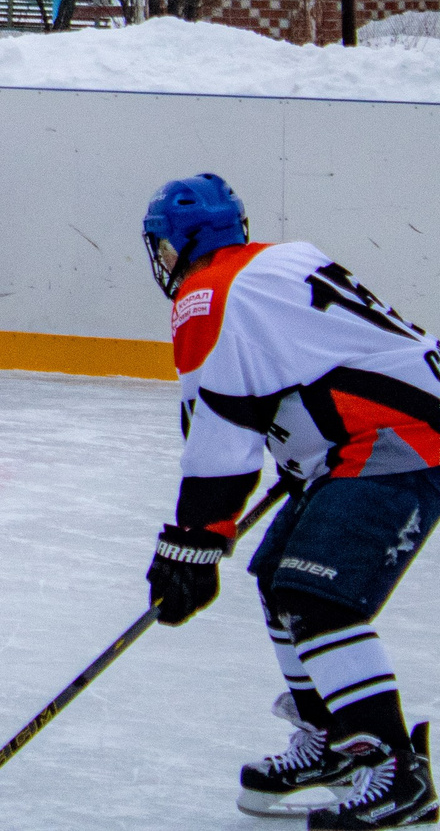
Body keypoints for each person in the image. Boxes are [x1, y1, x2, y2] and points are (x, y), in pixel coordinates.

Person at [142, 173, 440, 828]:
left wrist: (193, 540)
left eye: (162, 245)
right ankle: (331, 737)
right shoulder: (279, 259)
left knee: (315, 593)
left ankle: (396, 770)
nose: (160, 259)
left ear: (186, 241)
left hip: (398, 438)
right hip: (370, 436)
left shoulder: (205, 296)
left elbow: (223, 430)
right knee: (278, 577)